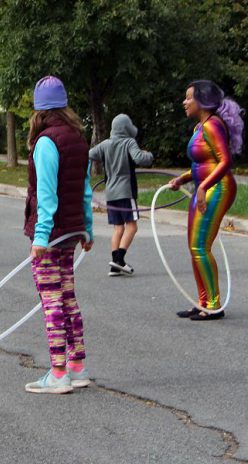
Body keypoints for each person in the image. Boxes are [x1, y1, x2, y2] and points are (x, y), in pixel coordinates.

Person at [23, 76, 94, 394]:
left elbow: (46, 196)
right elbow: (86, 191)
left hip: (51, 235)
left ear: (38, 110)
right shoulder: (78, 138)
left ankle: (58, 372)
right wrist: (87, 227)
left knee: (51, 300)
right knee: (67, 298)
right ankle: (77, 367)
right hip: (70, 231)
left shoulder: (46, 142)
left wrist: (40, 237)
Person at [170, 80, 243, 321]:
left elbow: (225, 161)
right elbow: (200, 164)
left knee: (200, 246)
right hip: (203, 188)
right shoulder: (198, 128)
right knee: (194, 246)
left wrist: (203, 186)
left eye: (188, 98)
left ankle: (213, 304)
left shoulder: (213, 125)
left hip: (218, 188)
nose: (184, 102)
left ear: (202, 101)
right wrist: (181, 179)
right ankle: (202, 301)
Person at [89, 114, 154, 276]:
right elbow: (139, 158)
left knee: (118, 227)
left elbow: (89, 154)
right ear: (126, 128)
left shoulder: (105, 144)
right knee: (132, 226)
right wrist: (149, 155)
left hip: (110, 193)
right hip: (126, 192)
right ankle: (119, 259)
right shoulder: (129, 142)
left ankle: (114, 266)